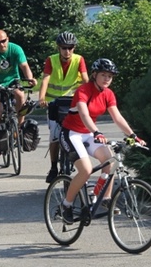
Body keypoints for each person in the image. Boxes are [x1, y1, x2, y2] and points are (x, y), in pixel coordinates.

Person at [58, 58, 145, 225]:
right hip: (72, 133)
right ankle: (66, 205)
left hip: (89, 133)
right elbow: (84, 115)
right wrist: (96, 131)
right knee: (86, 170)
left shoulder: (108, 94)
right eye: (103, 75)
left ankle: (103, 197)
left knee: (110, 161)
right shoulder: (83, 90)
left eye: (110, 76)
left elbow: (117, 117)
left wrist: (133, 135)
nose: (107, 79)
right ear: (94, 75)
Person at [38, 32, 89, 183]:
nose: (67, 51)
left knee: (77, 133)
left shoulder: (79, 60)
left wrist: (90, 96)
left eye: (70, 48)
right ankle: (53, 167)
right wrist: (41, 98)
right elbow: (45, 79)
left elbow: (85, 80)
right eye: (63, 48)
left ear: (74, 48)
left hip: (72, 102)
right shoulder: (51, 60)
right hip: (53, 102)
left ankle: (78, 161)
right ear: (58, 48)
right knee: (54, 137)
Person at [0, 29, 37, 155]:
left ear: (8, 39)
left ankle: (19, 128)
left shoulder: (15, 49)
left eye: (3, 41)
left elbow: (24, 66)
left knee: (20, 95)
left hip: (12, 80)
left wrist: (30, 78)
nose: (1, 45)